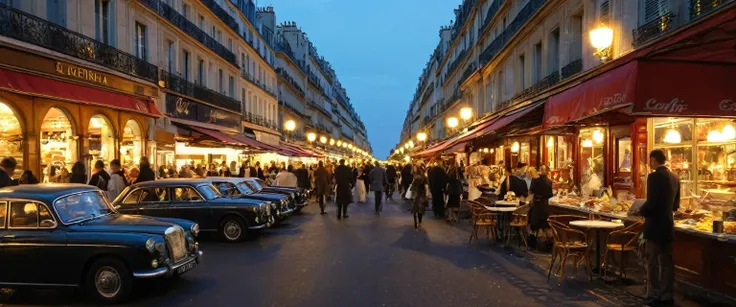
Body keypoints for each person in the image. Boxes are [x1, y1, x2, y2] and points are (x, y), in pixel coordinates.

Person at [639, 149, 679, 306]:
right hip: (668, 225)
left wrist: (640, 211)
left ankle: (654, 294)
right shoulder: (674, 177)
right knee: (667, 263)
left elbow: (652, 202)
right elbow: (676, 205)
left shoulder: (654, 177)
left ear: (654, 160)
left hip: (654, 226)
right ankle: (667, 294)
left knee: (653, 262)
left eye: (650, 160)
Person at [528, 166, 553, 248]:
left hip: (537, 204)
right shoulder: (549, 181)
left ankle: (533, 243)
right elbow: (550, 194)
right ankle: (549, 242)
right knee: (545, 224)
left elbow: (531, 191)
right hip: (545, 204)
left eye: (541, 169)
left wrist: (530, 201)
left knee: (534, 223)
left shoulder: (535, 180)